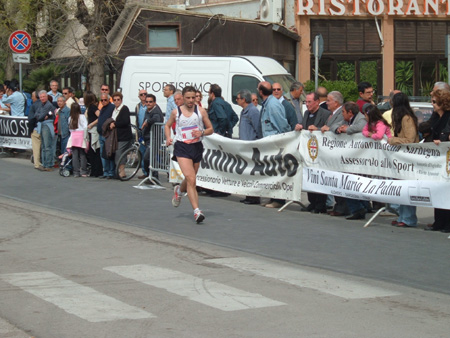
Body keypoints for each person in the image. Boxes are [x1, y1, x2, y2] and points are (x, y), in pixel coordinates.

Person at [165, 86, 214, 223]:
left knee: (190, 178)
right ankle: (197, 211)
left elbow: (210, 129)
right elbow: (167, 125)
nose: (191, 100)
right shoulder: (176, 113)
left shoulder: (201, 112)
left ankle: (179, 191)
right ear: (183, 98)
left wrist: (202, 132)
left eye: (193, 97)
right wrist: (169, 138)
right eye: (188, 98)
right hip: (182, 147)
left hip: (196, 147)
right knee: (191, 179)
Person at [388, 93, 419, 227]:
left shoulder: (407, 118)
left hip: (409, 157)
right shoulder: (400, 117)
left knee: (407, 189)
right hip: (401, 157)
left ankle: (409, 218)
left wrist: (393, 140)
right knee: (400, 188)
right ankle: (402, 215)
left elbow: (410, 139)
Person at [297, 92, 331, 214]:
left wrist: (317, 130)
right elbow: (305, 127)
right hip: (308, 152)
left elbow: (328, 130)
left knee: (320, 177)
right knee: (309, 176)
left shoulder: (325, 114)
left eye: (309, 102)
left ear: (317, 102)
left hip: (320, 152)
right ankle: (312, 202)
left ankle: (321, 204)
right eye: (306, 102)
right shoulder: (306, 113)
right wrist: (300, 127)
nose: (307, 104)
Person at [258, 81, 290, 208]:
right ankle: (273, 198)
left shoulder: (273, 105)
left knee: (277, 171)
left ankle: (279, 200)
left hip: (276, 144)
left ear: (261, 92)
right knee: (271, 171)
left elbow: (282, 125)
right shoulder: (267, 104)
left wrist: (283, 141)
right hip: (269, 143)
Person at [424, 89, 450, 233]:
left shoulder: (448, 116)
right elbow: (428, 129)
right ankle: (438, 221)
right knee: (437, 189)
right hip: (436, 158)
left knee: (447, 190)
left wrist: (444, 139)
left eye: (434, 102)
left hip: (446, 158)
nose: (432, 104)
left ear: (442, 102)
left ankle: (447, 223)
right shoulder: (435, 116)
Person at [237, 89, 262, 205]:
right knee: (247, 171)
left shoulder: (253, 111)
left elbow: (258, 128)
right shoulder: (244, 111)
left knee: (253, 172)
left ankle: (254, 196)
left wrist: (256, 143)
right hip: (245, 147)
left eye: (238, 98)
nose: (236, 100)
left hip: (252, 146)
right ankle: (248, 194)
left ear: (243, 99)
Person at [109, 92, 132, 179]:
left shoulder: (124, 109)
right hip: (116, 136)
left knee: (119, 153)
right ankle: (119, 171)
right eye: (114, 100)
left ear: (121, 100)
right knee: (118, 153)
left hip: (124, 136)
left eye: (118, 100)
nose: (116, 101)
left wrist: (115, 124)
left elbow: (125, 121)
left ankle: (122, 172)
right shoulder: (114, 110)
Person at [141, 94, 164, 181]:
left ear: (155, 102)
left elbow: (157, 119)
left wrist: (148, 122)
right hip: (147, 137)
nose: (148, 103)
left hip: (154, 137)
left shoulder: (156, 111)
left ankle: (153, 177)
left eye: (150, 102)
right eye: (146, 102)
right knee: (150, 158)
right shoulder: (148, 110)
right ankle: (151, 176)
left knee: (148, 157)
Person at [35, 90, 56, 171]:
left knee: (47, 145)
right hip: (42, 124)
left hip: (47, 125)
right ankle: (44, 163)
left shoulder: (48, 105)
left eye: (44, 96)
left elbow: (40, 116)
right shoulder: (40, 105)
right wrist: (42, 116)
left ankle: (49, 164)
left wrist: (42, 116)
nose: (42, 98)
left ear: (47, 97)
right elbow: (36, 114)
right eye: (41, 97)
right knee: (43, 146)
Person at [97, 93, 116, 179]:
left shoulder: (111, 107)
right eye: (102, 100)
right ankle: (106, 172)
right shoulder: (102, 108)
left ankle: (111, 172)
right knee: (103, 154)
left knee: (109, 154)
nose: (103, 101)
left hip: (108, 134)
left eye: (105, 100)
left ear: (109, 100)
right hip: (101, 134)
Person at [85, 91, 103, 177]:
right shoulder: (91, 107)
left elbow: (100, 116)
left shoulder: (92, 107)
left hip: (93, 130)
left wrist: (92, 124)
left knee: (94, 150)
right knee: (93, 151)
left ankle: (96, 170)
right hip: (91, 130)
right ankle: (95, 170)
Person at [68, 103, 89, 177]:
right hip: (81, 136)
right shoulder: (82, 116)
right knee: (82, 155)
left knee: (75, 155)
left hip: (74, 136)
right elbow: (85, 127)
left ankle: (76, 172)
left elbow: (70, 129)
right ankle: (83, 171)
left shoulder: (70, 118)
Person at [27, 91, 42, 169]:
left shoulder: (33, 106)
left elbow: (31, 119)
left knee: (36, 147)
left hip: (36, 128)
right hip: (44, 128)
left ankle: (37, 163)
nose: (32, 98)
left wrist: (30, 130)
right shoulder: (46, 104)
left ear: (35, 97)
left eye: (32, 97)